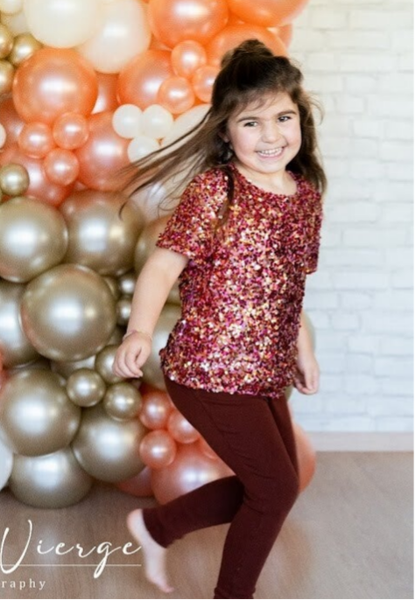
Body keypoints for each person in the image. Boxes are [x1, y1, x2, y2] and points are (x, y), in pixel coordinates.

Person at [113, 40, 326, 600]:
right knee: (274, 490)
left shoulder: (304, 196)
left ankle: (157, 527)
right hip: (206, 369)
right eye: (252, 122)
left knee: (275, 487)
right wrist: (139, 331)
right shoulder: (217, 189)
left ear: (300, 119)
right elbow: (162, 266)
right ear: (227, 132)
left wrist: (303, 349)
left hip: (263, 371)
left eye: (283, 117)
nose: (271, 135)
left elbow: (288, 288)